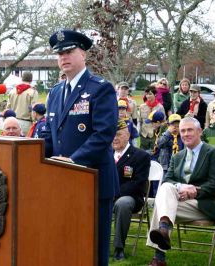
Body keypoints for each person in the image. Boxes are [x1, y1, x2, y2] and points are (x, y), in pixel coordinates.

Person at [44, 29, 119, 266]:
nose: (63, 57)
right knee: (66, 246)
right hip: (61, 181)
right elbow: (49, 134)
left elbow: (103, 134)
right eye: (59, 54)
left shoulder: (100, 88)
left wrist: (74, 161)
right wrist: (27, 155)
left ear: (83, 54)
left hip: (92, 181)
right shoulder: (55, 92)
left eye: (69, 51)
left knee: (92, 251)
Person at [146, 117, 215, 266]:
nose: (186, 134)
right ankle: (163, 233)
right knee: (166, 191)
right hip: (180, 203)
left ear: (200, 131)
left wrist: (195, 191)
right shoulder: (177, 156)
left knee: (162, 204)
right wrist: (181, 187)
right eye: (183, 131)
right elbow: (167, 180)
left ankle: (159, 257)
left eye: (190, 130)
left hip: (204, 205)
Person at [112, 119, 150, 261]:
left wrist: (114, 193)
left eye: (119, 134)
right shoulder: (105, 155)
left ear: (128, 135)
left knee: (123, 203)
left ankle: (118, 248)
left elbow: (138, 183)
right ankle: (91, 244)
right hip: (107, 197)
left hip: (131, 197)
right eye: (112, 135)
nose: (115, 138)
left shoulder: (141, 156)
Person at [139, 86, 166, 152]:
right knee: (142, 155)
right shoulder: (142, 107)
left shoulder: (160, 107)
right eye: (147, 94)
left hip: (155, 135)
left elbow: (164, 122)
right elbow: (140, 121)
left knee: (154, 154)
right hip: (144, 135)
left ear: (155, 94)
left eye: (150, 94)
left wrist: (159, 125)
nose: (148, 96)